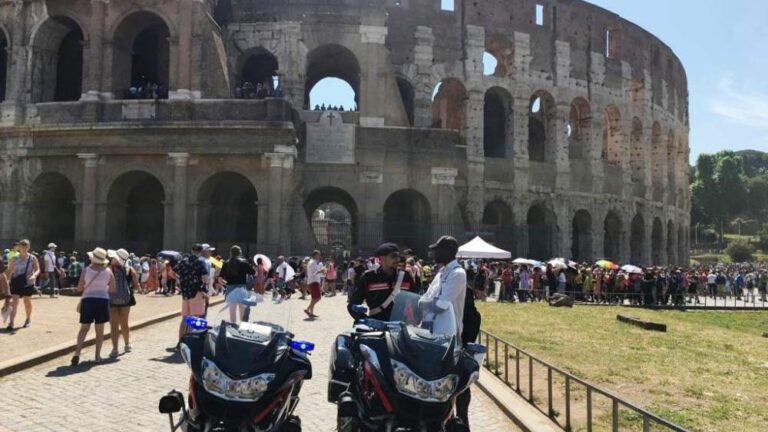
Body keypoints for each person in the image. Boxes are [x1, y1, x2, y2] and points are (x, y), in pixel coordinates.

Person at [348, 244, 415, 322]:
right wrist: (366, 320)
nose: (398, 259)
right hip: (376, 328)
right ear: (382, 258)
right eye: (393, 256)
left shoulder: (406, 277)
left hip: (400, 326)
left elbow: (414, 303)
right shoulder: (368, 278)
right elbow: (352, 305)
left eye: (398, 256)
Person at [72, 247, 115, 366]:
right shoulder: (108, 271)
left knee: (84, 329)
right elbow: (112, 289)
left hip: (88, 300)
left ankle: (77, 353)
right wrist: (103, 288)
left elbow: (80, 288)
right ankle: (97, 356)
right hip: (102, 301)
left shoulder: (86, 270)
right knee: (99, 331)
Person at [173, 244, 209, 343]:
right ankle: (188, 342)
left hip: (185, 293)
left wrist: (180, 279)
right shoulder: (200, 262)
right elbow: (206, 278)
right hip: (196, 292)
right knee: (194, 319)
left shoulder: (183, 261)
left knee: (185, 319)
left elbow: (172, 272)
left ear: (192, 250)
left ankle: (180, 341)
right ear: (201, 251)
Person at [108, 249, 139, 358]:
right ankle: (127, 344)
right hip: (126, 299)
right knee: (124, 323)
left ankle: (115, 349)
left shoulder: (109, 269)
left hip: (111, 299)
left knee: (114, 325)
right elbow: (136, 286)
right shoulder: (130, 270)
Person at [7, 239, 40, 330]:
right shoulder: (14, 258)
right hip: (16, 281)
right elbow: (10, 270)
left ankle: (28, 319)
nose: (24, 249)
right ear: (19, 248)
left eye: (26, 247)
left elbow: (38, 269)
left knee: (27, 301)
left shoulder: (32, 258)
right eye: (22, 247)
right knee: (14, 302)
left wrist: (34, 275)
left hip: (28, 282)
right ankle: (11, 322)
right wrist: (8, 280)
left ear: (28, 247)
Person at [220, 245, 255, 322]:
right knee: (242, 313)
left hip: (230, 290)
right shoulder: (244, 263)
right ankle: (242, 330)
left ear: (230, 253)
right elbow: (254, 273)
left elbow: (220, 279)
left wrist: (226, 284)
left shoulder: (226, 263)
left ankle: (233, 327)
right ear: (240, 253)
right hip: (242, 289)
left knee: (232, 313)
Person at [305, 250, 326, 318]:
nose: (320, 256)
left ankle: (311, 312)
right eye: (319, 255)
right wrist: (321, 270)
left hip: (314, 281)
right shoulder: (313, 262)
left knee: (314, 298)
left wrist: (321, 272)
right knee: (318, 297)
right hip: (313, 281)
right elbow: (314, 272)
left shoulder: (313, 262)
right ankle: (308, 309)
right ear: (315, 255)